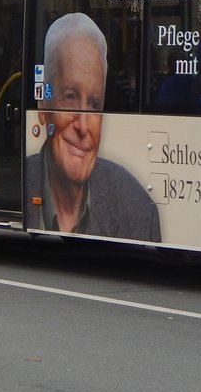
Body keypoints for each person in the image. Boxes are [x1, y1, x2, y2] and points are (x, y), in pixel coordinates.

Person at [24, 13, 161, 240]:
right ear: (43, 104)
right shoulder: (18, 183)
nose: (83, 125)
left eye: (94, 104)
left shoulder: (139, 209)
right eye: (70, 96)